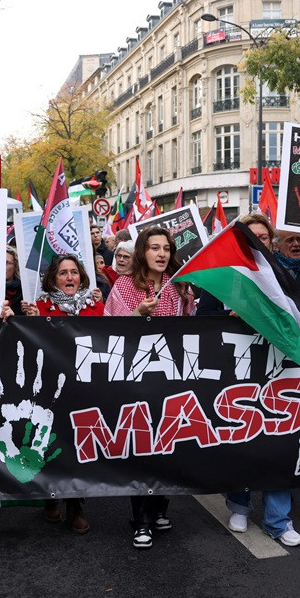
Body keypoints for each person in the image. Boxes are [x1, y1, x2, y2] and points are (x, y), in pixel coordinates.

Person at [196, 214, 300, 547]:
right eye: (250, 237)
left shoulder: (281, 275)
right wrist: (228, 317)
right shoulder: (222, 275)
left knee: (279, 439)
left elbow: (298, 311)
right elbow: (202, 318)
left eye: (263, 237)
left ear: (271, 243)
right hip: (236, 371)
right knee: (241, 437)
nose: (258, 242)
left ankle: (278, 520)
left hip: (277, 369)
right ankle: (239, 505)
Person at [104, 226, 195, 549]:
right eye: (155, 247)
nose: (161, 254)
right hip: (136, 382)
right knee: (141, 447)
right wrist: (136, 314)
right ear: (143, 252)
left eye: (166, 248)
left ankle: (158, 508)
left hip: (171, 380)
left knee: (167, 447)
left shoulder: (179, 287)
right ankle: (141, 520)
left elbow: (193, 331)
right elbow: (107, 332)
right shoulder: (124, 285)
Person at [2, 254, 102, 533]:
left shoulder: (96, 305)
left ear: (82, 277)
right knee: (50, 442)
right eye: (63, 273)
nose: (70, 277)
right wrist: (32, 321)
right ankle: (50, 496)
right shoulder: (41, 306)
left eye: (74, 272)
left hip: (84, 387)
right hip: (50, 387)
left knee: (78, 444)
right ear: (52, 279)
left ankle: (75, 504)